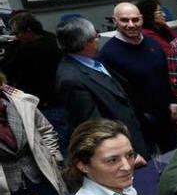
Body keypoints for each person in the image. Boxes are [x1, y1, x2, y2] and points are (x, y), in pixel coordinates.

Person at [54, 17, 150, 159]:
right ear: (86, 43)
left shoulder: (93, 60)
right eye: (96, 36)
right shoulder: (71, 79)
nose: (99, 39)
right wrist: (130, 155)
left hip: (134, 134)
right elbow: (94, 127)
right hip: (121, 151)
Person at [100, 2, 177, 153]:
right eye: (124, 20)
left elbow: (167, 75)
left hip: (168, 117)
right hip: (137, 124)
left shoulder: (153, 43)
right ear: (115, 21)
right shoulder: (108, 54)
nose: (131, 25)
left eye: (135, 20)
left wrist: (173, 101)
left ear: (142, 19)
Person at [0, 76, 66, 195]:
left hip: (42, 175)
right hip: (9, 190)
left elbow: (46, 130)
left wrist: (52, 157)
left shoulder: (19, 101)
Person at [3, 12, 68, 150]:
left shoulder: (28, 51)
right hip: (61, 99)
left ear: (28, 31)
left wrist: (12, 48)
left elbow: (8, 69)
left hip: (46, 103)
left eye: (17, 33)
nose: (16, 37)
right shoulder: (52, 39)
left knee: (57, 142)